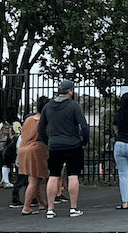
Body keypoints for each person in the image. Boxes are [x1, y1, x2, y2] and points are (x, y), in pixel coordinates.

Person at [39, 80, 90, 218]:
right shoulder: (74, 106)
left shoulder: (48, 107)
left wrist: (49, 142)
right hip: (73, 144)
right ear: (70, 91)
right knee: (73, 174)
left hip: (55, 145)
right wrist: (84, 141)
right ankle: (73, 208)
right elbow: (84, 127)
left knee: (54, 175)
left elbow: (41, 129)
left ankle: (50, 209)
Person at [18, 96, 50, 215]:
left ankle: (41, 202)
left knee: (34, 178)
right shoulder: (43, 121)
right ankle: (26, 207)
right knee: (34, 180)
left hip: (23, 148)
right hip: (36, 149)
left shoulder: (29, 119)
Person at [0, 110, 20, 188]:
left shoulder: (3, 123)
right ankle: (6, 181)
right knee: (8, 163)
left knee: (4, 163)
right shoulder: (15, 123)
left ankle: (4, 180)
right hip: (10, 146)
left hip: (1, 145)